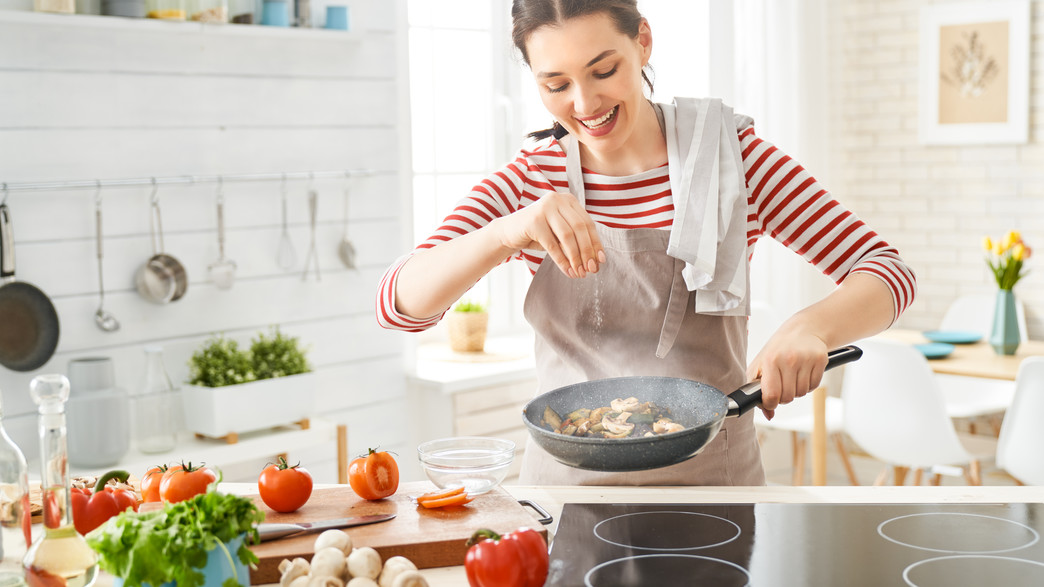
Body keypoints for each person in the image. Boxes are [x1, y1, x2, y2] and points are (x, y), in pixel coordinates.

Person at [377, 0, 916, 486]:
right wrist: (506, 231)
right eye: (556, 84)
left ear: (643, 42)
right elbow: (398, 305)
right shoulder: (531, 180)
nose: (584, 103)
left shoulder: (733, 161)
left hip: (713, 486)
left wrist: (811, 327)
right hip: (566, 492)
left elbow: (889, 271)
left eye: (603, 70)